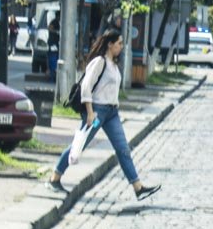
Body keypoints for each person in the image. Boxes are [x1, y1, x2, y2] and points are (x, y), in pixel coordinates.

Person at [47, 30, 162, 201]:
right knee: (79, 145)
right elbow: (86, 86)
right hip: (97, 111)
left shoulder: (113, 64)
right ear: (110, 44)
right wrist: (90, 112)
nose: (121, 47)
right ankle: (54, 179)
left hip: (112, 113)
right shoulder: (99, 62)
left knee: (123, 149)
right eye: (119, 43)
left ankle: (138, 187)